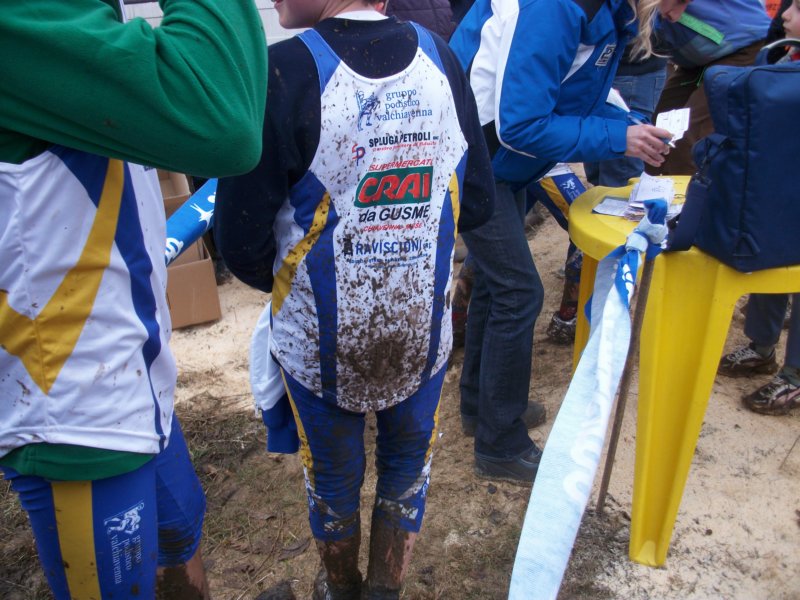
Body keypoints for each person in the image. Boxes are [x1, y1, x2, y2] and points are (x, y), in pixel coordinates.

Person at [213, 0, 494, 597]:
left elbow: (239, 242)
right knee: (407, 466)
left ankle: (340, 589)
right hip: (420, 327)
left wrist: (293, 280)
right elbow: (478, 202)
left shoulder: (280, 72)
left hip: (320, 340)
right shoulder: (442, 60)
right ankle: (385, 588)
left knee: (334, 480)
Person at [0, 2, 267, 598]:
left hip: (134, 376)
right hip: (77, 410)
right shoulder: (23, 15)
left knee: (180, 535)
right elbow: (221, 117)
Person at [448, 0, 678, 484]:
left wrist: (629, 127)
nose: (679, 15)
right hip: (476, 155)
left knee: (494, 282)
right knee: (519, 291)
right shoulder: (561, 6)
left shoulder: (608, 13)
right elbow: (522, 124)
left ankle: (481, 407)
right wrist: (619, 138)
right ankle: (499, 444)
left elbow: (580, 95)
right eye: (681, 3)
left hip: (498, 158)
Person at [717, 0, 800, 415]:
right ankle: (762, 346)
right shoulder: (785, 57)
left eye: (797, 8)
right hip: (781, 187)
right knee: (772, 258)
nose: (784, 15)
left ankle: (796, 375)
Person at [647, 0, 772, 175]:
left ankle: (686, 190)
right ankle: (651, 187)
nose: (674, 16)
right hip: (697, 59)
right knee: (657, 131)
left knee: (689, 134)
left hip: (743, 46)